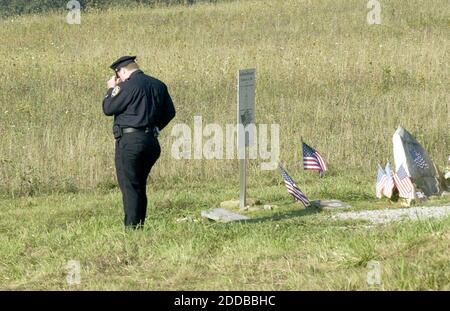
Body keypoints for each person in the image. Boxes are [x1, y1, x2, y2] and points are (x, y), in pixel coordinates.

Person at [102, 56, 175, 229]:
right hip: (151, 142)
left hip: (130, 142)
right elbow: (170, 112)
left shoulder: (125, 87)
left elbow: (108, 108)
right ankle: (138, 225)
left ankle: (132, 229)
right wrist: (156, 127)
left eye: (118, 74)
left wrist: (111, 89)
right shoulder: (158, 84)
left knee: (130, 186)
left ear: (123, 71)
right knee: (139, 185)